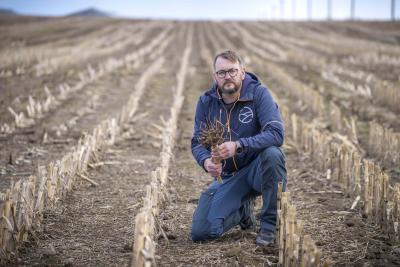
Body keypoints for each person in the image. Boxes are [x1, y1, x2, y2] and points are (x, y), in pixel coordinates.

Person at [190, 50, 287, 246]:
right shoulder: (206, 102)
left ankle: (269, 225)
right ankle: (242, 209)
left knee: (273, 154)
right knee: (201, 232)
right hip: (230, 177)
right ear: (214, 76)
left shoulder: (259, 94)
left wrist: (239, 145)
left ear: (242, 72)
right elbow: (197, 143)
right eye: (222, 73)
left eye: (233, 71)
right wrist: (206, 161)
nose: (228, 77)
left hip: (258, 170)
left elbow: (276, 134)